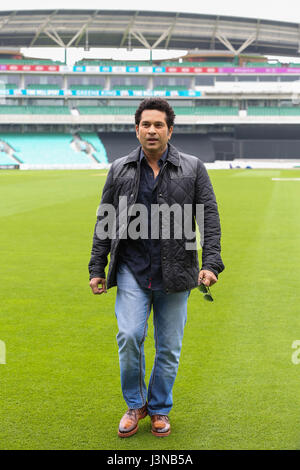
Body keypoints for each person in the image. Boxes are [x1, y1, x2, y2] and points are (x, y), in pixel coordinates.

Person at [89, 98, 224, 438]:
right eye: (146, 124)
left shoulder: (193, 167)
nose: (152, 130)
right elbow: (105, 219)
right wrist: (97, 266)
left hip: (177, 272)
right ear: (137, 130)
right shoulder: (119, 168)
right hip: (132, 270)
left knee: (169, 347)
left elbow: (208, 216)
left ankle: (160, 409)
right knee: (130, 336)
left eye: (158, 125)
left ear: (169, 130)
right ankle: (136, 405)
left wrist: (211, 263)